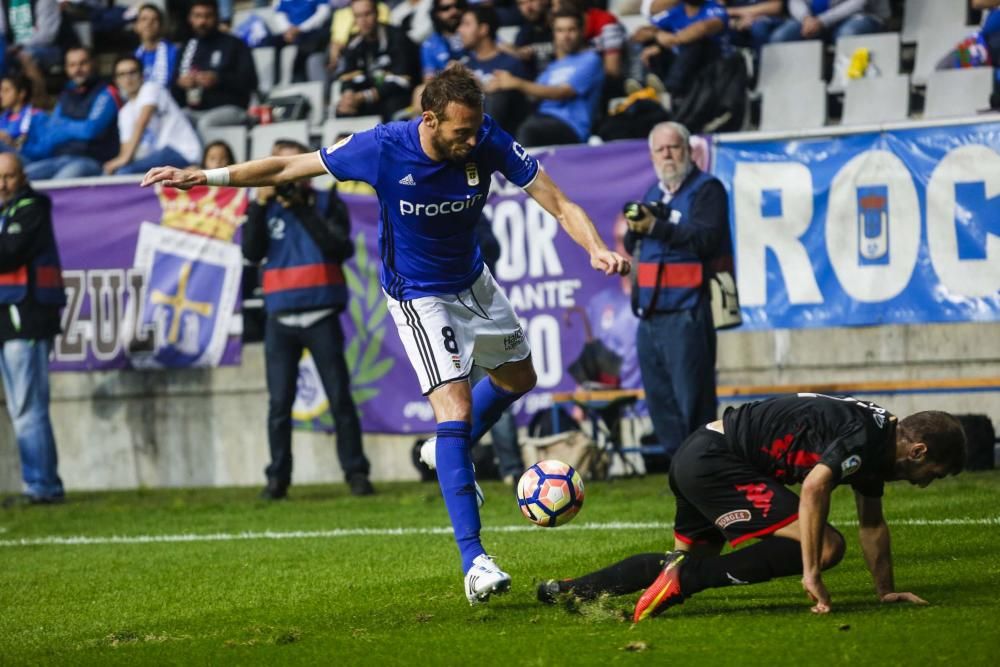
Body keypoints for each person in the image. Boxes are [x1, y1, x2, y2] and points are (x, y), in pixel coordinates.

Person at [141, 65, 630, 604]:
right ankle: (475, 562)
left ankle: (444, 452)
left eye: (476, 130)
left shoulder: (487, 139)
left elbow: (557, 200)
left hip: (473, 281)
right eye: (461, 132)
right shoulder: (381, 148)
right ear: (429, 119)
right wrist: (205, 178)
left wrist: (595, 248)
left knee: (519, 377)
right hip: (418, 294)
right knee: (457, 405)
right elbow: (286, 165)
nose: (472, 141)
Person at [538, 394, 967, 621]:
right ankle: (685, 578)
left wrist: (884, 590)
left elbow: (872, 524)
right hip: (717, 460)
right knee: (826, 547)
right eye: (934, 472)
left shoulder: (879, 442)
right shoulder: (869, 438)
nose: (928, 483)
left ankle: (571, 590)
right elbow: (817, 486)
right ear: (918, 451)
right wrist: (811, 572)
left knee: (690, 560)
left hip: (701, 451)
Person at [240, 139, 374, 499]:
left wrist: (301, 207)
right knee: (279, 404)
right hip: (279, 317)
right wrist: (258, 205)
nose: (283, 175)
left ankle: (356, 473)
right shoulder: (265, 207)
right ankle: (277, 479)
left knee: (339, 398)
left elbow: (338, 248)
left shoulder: (328, 201)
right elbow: (251, 253)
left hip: (321, 313)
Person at [624, 121, 730, 461]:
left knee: (694, 403)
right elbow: (632, 241)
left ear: (689, 150)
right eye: (660, 149)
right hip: (650, 315)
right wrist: (636, 225)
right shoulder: (653, 194)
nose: (667, 155)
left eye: (674, 147)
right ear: (652, 155)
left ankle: (706, 470)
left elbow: (706, 240)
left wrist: (656, 226)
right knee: (661, 403)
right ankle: (680, 471)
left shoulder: (707, 189)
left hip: (688, 311)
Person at [0, 152, 65, 506]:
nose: (2, 184)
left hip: (26, 318)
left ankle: (41, 486)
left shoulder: (33, 207)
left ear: (22, 177)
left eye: (9, 177)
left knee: (28, 407)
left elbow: (8, 253)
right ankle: (43, 482)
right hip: (8, 319)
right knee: (22, 407)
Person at [491, 8, 604, 147]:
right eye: (560, 30)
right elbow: (532, 96)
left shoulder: (591, 60)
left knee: (529, 130)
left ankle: (525, 168)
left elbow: (562, 93)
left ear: (582, 31)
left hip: (570, 126)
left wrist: (516, 83)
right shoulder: (554, 66)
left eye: (571, 30)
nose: (565, 36)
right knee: (499, 100)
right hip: (539, 118)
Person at [23, 47, 122, 180]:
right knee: (21, 177)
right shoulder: (66, 94)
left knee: (59, 182)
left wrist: (63, 125)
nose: (77, 69)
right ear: (66, 68)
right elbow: (52, 130)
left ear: (94, 63)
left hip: (92, 160)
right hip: (59, 158)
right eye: (72, 65)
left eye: (83, 63)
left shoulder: (106, 92)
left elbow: (90, 130)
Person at [104, 56, 202, 175]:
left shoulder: (151, 88)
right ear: (116, 80)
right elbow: (126, 150)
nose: (128, 78)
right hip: (160, 155)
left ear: (142, 75)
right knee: (116, 172)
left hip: (182, 152)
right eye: (122, 74)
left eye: (132, 72)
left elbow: (142, 122)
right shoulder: (125, 112)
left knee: (124, 172)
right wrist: (117, 162)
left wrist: (124, 160)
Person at [173, 0, 258, 135]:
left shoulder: (234, 44)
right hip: (193, 109)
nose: (202, 22)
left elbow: (250, 81)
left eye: (208, 16)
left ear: (217, 17)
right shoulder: (187, 47)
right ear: (190, 18)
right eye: (198, 16)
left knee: (206, 123)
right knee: (174, 121)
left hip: (230, 108)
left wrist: (218, 79)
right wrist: (180, 83)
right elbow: (173, 85)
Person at [333, 0, 419, 122]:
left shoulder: (397, 38)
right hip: (367, 99)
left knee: (393, 104)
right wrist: (348, 95)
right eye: (358, 16)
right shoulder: (353, 44)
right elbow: (347, 77)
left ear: (377, 13)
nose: (363, 21)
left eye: (367, 14)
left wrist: (363, 96)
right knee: (343, 110)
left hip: (396, 98)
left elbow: (402, 81)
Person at [631, 0, 731, 99]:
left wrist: (672, 40)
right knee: (650, 44)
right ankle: (645, 85)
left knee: (694, 42)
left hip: (715, 64)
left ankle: (670, 88)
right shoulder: (677, 11)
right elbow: (640, 33)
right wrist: (657, 36)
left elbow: (704, 28)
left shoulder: (714, 8)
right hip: (684, 64)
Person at [458, 3, 530, 133]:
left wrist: (481, 88)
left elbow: (518, 107)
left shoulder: (511, 63)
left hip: (505, 135)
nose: (460, 30)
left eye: (466, 24)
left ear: (483, 29)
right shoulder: (465, 65)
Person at [769, 0, 889, 43]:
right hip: (811, 20)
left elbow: (858, 3)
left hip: (858, 16)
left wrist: (822, 21)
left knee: (847, 34)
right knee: (781, 37)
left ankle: (847, 86)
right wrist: (805, 18)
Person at [134, 3, 178, 88]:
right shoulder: (134, 57)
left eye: (154, 20)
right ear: (136, 26)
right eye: (144, 19)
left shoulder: (174, 52)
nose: (149, 23)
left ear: (161, 26)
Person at [0, 71, 45, 154]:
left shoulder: (37, 116)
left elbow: (44, 149)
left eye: (6, 90)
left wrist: (13, 143)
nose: (1, 95)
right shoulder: (2, 117)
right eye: (0, 90)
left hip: (26, 160)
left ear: (21, 93)